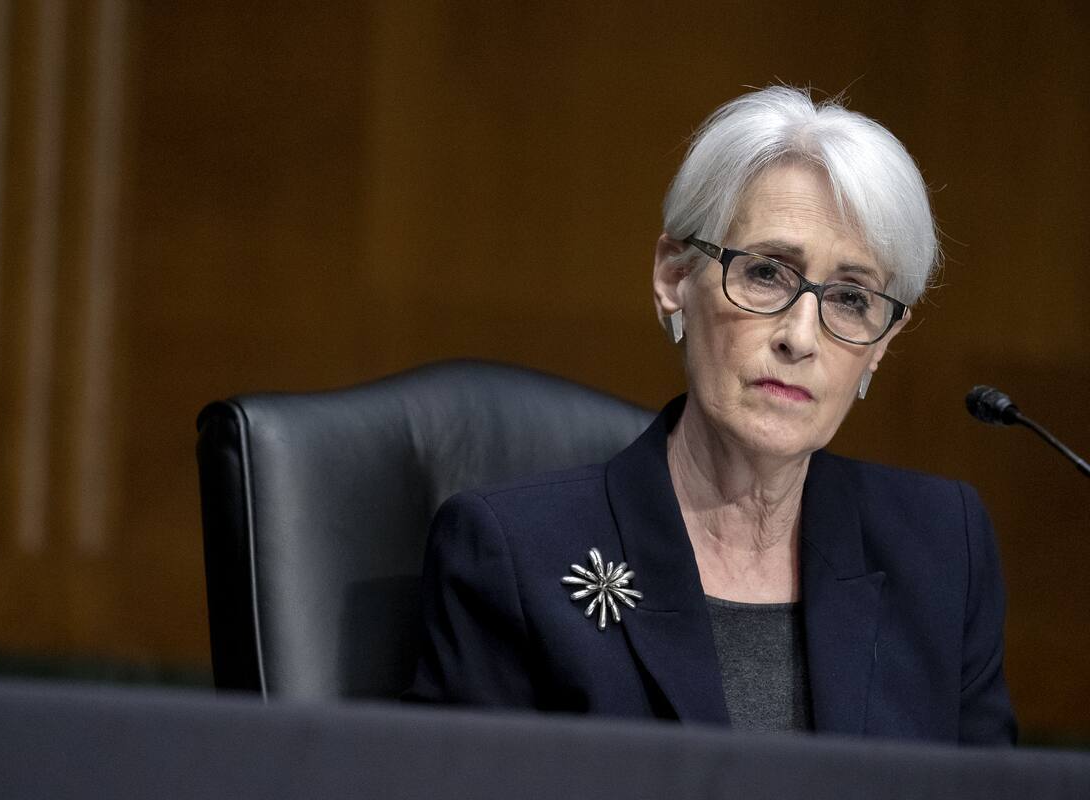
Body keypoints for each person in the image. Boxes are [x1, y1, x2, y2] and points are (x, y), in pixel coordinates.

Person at [405, 86, 1016, 744]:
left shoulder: (941, 548)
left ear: (882, 344)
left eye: (850, 299)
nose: (800, 337)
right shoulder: (512, 554)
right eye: (766, 274)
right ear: (675, 278)